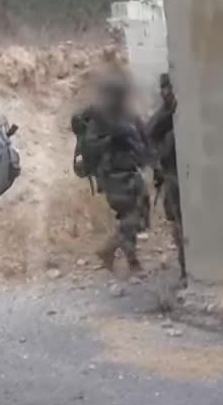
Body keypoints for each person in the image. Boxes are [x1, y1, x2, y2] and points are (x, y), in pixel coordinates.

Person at [72, 74, 152, 275]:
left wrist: (149, 159)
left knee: (136, 216)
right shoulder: (101, 119)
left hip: (130, 172)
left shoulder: (128, 115)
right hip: (113, 175)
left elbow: (144, 138)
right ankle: (112, 251)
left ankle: (129, 260)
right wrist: (112, 139)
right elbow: (91, 146)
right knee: (132, 218)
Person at [147, 72, 186, 283]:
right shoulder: (163, 116)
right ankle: (184, 271)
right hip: (173, 178)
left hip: (187, 178)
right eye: (163, 88)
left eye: (169, 88)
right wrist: (158, 166)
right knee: (179, 226)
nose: (166, 93)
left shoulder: (182, 111)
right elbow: (147, 139)